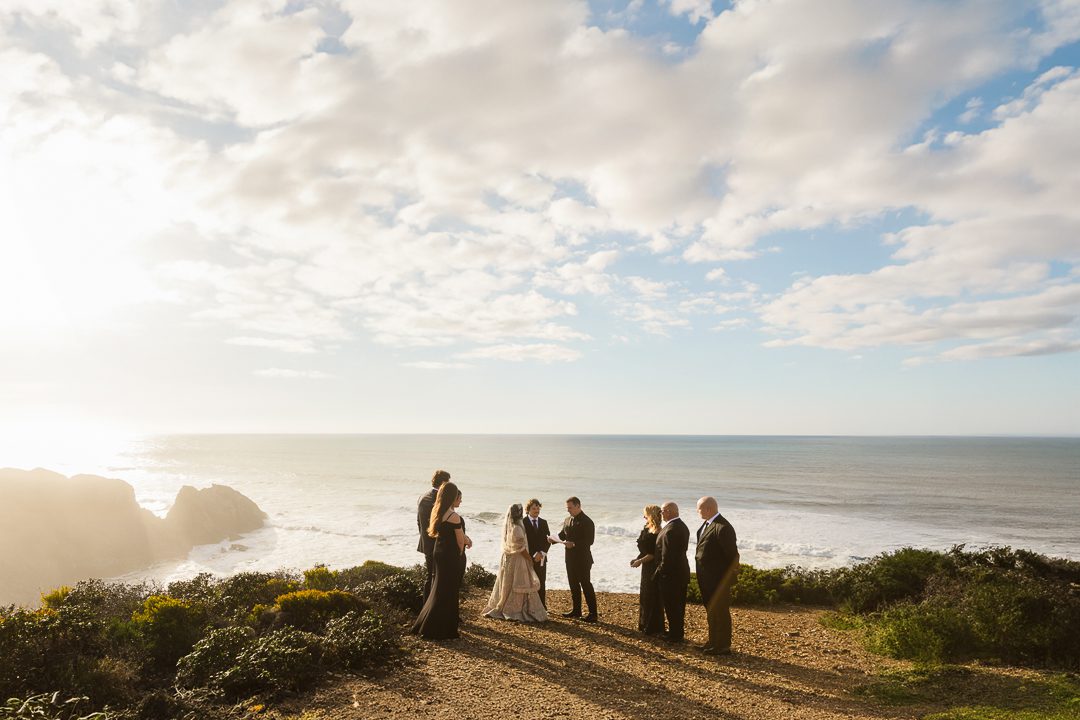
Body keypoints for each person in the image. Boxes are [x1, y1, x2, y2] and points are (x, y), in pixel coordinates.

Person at [411, 481, 465, 640]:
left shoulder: (437, 511)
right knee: (449, 590)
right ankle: (444, 628)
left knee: (438, 589)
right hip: (450, 555)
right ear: (452, 496)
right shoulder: (454, 516)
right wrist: (460, 553)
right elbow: (460, 541)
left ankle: (427, 622)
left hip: (438, 552)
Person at [482, 504, 548, 622]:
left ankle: (507, 604)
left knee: (510, 581)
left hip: (509, 558)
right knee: (519, 581)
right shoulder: (517, 527)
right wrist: (529, 559)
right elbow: (521, 547)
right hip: (518, 558)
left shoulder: (511, 525)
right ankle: (515, 608)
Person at [695, 496, 739, 655]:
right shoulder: (706, 525)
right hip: (706, 579)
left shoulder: (723, 527)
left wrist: (725, 581)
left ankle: (723, 646)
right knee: (711, 611)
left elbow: (733, 557)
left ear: (708, 509)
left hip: (718, 581)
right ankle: (713, 641)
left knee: (720, 612)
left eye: (698, 508)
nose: (697, 511)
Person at [654, 501, 690, 642]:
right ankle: (676, 632)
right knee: (677, 605)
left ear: (669, 511)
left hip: (671, 576)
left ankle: (675, 635)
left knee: (672, 605)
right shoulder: (680, 525)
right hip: (679, 573)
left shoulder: (671, 529)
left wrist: (659, 572)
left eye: (662, 511)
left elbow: (668, 556)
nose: (661, 514)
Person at [556, 496, 597, 622]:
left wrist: (574, 544)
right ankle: (576, 610)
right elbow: (562, 535)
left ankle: (593, 613)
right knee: (573, 584)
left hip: (583, 559)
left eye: (570, 507)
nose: (568, 510)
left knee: (586, 584)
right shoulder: (567, 520)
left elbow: (590, 541)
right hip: (569, 558)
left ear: (578, 506)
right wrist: (551, 539)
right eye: (567, 508)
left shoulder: (587, 521)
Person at [630, 504, 664, 634]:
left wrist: (640, 561)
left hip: (653, 566)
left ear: (650, 515)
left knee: (652, 595)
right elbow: (645, 550)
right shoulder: (647, 528)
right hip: (646, 565)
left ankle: (653, 627)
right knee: (645, 595)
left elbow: (653, 554)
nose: (643, 516)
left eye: (645, 513)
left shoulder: (658, 531)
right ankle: (644, 624)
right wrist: (637, 558)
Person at [417, 470, 450, 599]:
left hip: (426, 542)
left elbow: (419, 522)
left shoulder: (422, 497)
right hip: (437, 544)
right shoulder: (439, 500)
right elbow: (442, 525)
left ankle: (426, 606)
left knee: (430, 576)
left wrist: (424, 537)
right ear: (443, 483)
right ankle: (431, 609)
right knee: (438, 578)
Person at [521, 498, 551, 606]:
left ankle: (542, 607)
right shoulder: (523, 522)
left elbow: (548, 540)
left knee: (541, 582)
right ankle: (528, 606)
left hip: (542, 558)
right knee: (528, 582)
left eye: (538, 508)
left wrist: (542, 553)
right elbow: (523, 541)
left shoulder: (544, 522)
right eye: (534, 508)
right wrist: (534, 554)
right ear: (528, 509)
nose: (536, 510)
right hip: (527, 557)